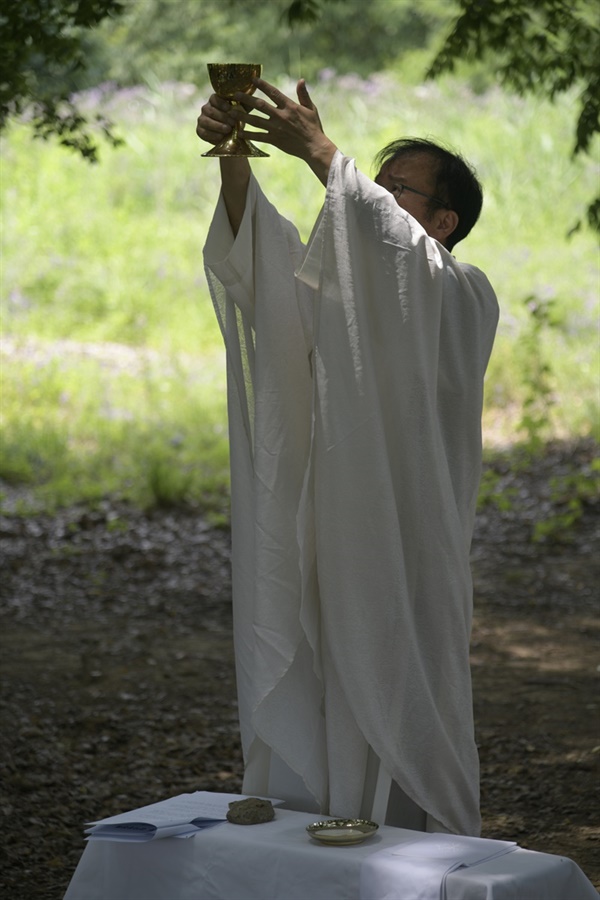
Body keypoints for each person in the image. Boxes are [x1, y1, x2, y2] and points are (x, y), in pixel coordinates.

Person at [197, 77, 499, 836]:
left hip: (406, 546)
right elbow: (265, 275)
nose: (370, 192)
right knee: (320, 668)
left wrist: (325, 155)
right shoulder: (341, 298)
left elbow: (404, 261)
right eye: (378, 182)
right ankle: (318, 826)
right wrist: (236, 160)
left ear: (444, 220)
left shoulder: (460, 295)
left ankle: (418, 841)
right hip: (324, 530)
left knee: (401, 680)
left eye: (397, 188)